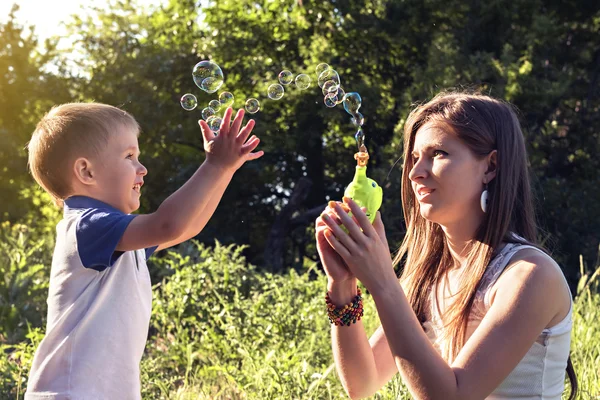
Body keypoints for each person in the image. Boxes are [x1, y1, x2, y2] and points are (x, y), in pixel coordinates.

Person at [316, 91, 578, 400]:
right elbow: (362, 383)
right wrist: (342, 284)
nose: (415, 173)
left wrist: (384, 281)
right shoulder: (428, 278)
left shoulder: (530, 276)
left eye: (438, 153)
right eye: (414, 158)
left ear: (491, 166)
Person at [24, 103, 263, 399]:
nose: (143, 168)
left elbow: (187, 227)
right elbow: (168, 225)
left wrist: (224, 169)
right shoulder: (87, 226)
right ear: (86, 171)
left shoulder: (117, 236)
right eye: (129, 157)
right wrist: (213, 166)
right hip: (71, 392)